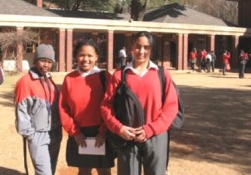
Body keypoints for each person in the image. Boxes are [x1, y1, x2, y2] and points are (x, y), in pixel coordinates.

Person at [101, 31, 178, 175]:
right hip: (127, 137)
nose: (141, 51)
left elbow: (171, 107)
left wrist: (151, 129)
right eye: (138, 46)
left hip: (156, 136)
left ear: (151, 49)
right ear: (131, 47)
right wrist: (119, 128)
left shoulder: (161, 74)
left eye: (146, 47)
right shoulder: (120, 74)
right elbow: (106, 106)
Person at [59, 40, 115, 175]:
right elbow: (63, 107)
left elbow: (112, 105)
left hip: (102, 131)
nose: (86, 59)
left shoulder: (105, 77)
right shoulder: (69, 79)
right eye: (81, 55)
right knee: (83, 171)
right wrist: (75, 132)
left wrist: (103, 131)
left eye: (90, 55)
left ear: (96, 57)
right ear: (76, 56)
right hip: (79, 132)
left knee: (104, 171)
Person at [15, 44, 62, 175]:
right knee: (44, 172)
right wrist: (31, 136)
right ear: (35, 61)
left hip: (55, 133)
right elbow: (21, 112)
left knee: (51, 170)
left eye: (49, 62)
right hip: (38, 135)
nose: (46, 65)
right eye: (42, 61)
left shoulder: (49, 79)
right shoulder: (25, 82)